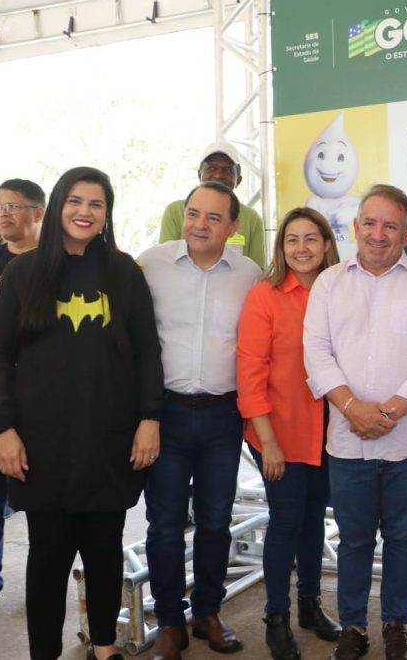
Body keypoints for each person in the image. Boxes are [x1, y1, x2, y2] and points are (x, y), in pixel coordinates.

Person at [0, 167, 163, 660]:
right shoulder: (24, 272)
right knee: (47, 556)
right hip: (42, 441)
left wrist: (150, 418)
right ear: (59, 205)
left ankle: (104, 647)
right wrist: (3, 428)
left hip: (109, 437)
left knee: (105, 549)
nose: (85, 212)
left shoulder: (123, 271)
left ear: (107, 214)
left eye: (97, 204)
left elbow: (148, 351)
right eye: (76, 201)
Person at [303, 184, 407, 660]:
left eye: (391, 225)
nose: (378, 233)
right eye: (370, 223)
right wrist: (354, 409)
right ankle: (352, 627)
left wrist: (386, 414)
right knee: (353, 541)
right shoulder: (329, 284)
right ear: (355, 228)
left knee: (402, 537)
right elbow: (316, 352)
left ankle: (395, 624)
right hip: (347, 442)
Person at [139, 181, 260, 660]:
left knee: (215, 520)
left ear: (233, 226)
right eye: (193, 213)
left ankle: (207, 611)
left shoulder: (249, 274)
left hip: (222, 417)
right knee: (165, 525)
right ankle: (170, 620)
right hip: (164, 416)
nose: (200, 225)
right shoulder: (151, 265)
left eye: (213, 217)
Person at [236, 208, 341, 660]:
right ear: (281, 247)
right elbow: (250, 373)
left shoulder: (341, 291)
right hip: (280, 431)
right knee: (286, 522)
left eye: (310, 238)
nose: (301, 248)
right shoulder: (265, 296)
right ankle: (275, 618)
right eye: (291, 239)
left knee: (314, 520)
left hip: (331, 431)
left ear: (326, 244)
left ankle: (309, 606)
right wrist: (269, 442)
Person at [0, 179, 44, 618]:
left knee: (41, 499)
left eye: (12, 206)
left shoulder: (51, 263)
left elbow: (39, 327)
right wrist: (10, 321)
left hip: (42, 399)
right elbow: (18, 325)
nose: (1, 215)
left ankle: (45, 581)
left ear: (38, 213)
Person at [158, 141, 266, 269]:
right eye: (211, 168)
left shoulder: (252, 219)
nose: (218, 175)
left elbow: (257, 271)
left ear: (238, 180)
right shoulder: (175, 211)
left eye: (227, 170)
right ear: (199, 174)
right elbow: (164, 261)